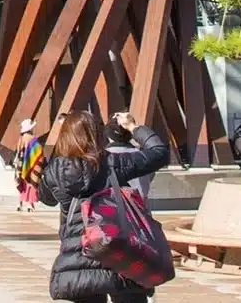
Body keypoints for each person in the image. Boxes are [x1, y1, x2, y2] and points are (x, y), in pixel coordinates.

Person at [36, 109, 170, 301]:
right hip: (118, 253)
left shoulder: (55, 171)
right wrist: (133, 127)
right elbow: (159, 153)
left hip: (79, 258)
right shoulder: (113, 162)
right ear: (97, 135)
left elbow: (46, 199)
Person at [103, 116, 154, 201]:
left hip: (109, 206)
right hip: (138, 205)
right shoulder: (144, 156)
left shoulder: (101, 158)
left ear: (108, 135)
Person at [14, 118, 46, 213]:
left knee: (22, 183)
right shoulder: (33, 139)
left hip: (21, 163)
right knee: (31, 183)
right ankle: (30, 204)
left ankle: (19, 203)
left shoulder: (21, 139)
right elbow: (38, 152)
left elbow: (19, 151)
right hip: (32, 164)